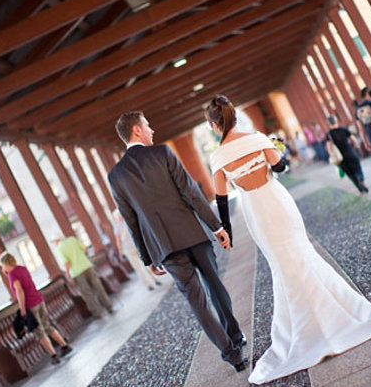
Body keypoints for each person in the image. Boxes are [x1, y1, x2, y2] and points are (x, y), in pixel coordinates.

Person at [206, 95, 371, 384]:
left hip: (256, 211)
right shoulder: (257, 138)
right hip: (277, 201)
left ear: (214, 124)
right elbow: (281, 167)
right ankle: (337, 312)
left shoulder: (218, 156)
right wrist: (275, 152)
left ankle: (302, 327)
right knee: (301, 251)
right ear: (234, 116)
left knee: (281, 263)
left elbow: (222, 198)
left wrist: (227, 232)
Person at [107, 110, 247, 372]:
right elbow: (191, 192)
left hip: (165, 248)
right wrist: (216, 226)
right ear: (136, 130)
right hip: (192, 234)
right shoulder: (162, 153)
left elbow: (130, 219)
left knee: (197, 302)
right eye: (147, 125)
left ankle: (232, 354)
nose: (152, 130)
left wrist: (148, 257)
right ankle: (236, 336)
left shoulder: (116, 176)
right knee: (215, 286)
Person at [0, 252, 72, 364]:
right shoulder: (22, 269)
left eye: (2, 266)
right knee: (47, 326)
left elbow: (20, 291)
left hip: (30, 305)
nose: (2, 268)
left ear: (5, 263)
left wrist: (22, 309)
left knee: (39, 332)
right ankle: (65, 346)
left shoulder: (12, 275)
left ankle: (54, 355)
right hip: (39, 300)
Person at [53, 234, 114, 318]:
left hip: (77, 272)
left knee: (87, 293)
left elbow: (66, 263)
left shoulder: (59, 248)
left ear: (56, 241)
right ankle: (109, 306)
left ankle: (98, 313)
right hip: (87, 266)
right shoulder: (72, 239)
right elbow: (85, 249)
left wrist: (68, 275)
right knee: (98, 287)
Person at [112, 208, 162, 291]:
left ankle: (149, 284)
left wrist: (120, 252)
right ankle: (156, 279)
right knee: (146, 263)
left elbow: (118, 242)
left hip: (128, 249)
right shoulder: (128, 222)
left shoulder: (117, 227)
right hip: (137, 246)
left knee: (139, 267)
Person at [326, 115, 368, 194]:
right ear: (336, 121)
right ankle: (360, 178)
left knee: (350, 174)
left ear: (329, 124)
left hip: (340, 158)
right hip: (350, 152)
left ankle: (361, 190)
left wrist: (332, 155)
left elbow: (329, 147)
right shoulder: (343, 129)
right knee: (357, 168)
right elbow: (353, 139)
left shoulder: (329, 134)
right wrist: (356, 145)